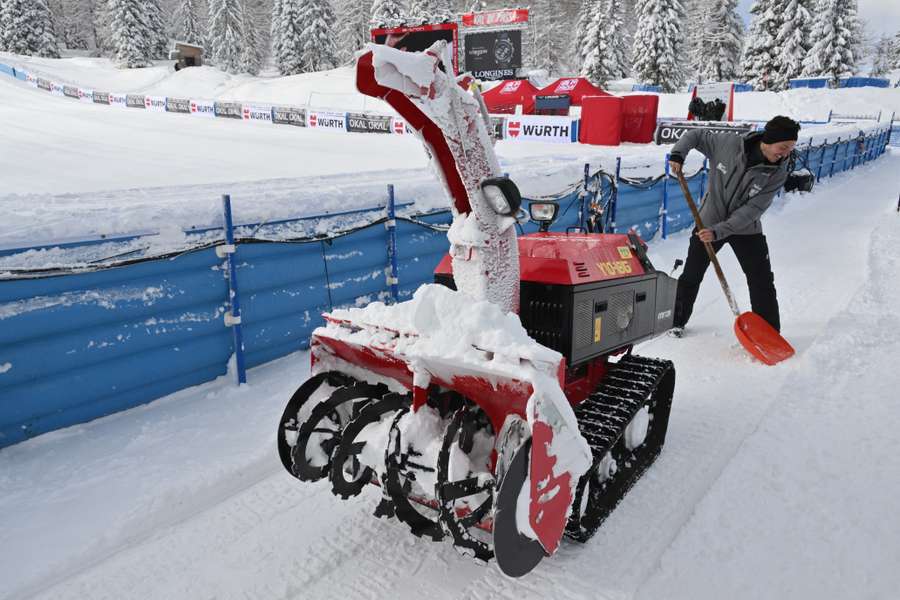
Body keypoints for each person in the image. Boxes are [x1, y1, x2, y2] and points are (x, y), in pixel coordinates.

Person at [667, 115, 800, 337]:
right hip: (707, 222)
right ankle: (676, 321)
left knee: (761, 279)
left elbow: (753, 209)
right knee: (691, 275)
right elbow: (695, 135)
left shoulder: (778, 172)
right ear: (768, 140)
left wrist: (719, 231)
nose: (786, 154)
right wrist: (679, 153)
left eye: (790, 149)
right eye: (783, 147)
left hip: (745, 228)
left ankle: (769, 332)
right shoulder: (727, 144)